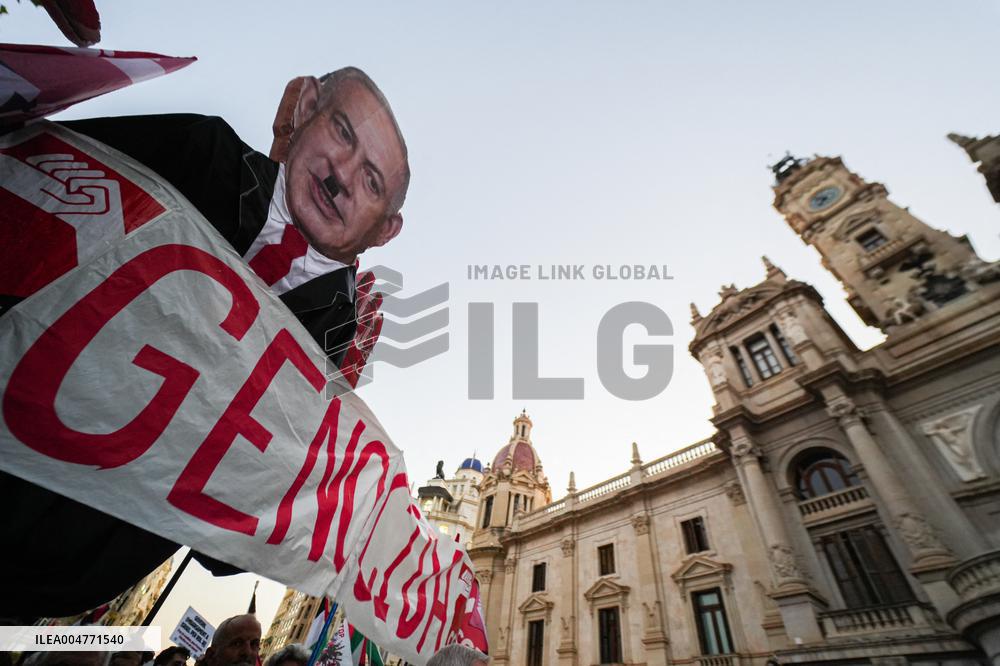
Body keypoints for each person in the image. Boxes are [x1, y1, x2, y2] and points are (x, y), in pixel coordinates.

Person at [0, 66, 410, 618]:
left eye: (372, 181)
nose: (341, 174)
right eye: (341, 131)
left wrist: (311, 457)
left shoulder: (332, 337)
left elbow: (223, 545)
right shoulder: (202, 153)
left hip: (53, 584)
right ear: (302, 106)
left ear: (385, 229)